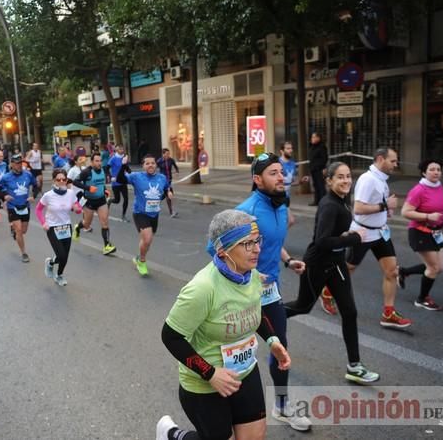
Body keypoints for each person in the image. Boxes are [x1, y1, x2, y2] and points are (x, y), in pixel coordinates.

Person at [156, 209, 291, 440]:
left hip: (246, 371)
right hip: (205, 383)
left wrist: (272, 340)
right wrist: (210, 373)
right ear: (223, 250)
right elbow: (171, 337)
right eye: (247, 244)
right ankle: (172, 435)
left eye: (257, 241)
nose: (257, 249)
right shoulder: (202, 289)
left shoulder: (252, 275)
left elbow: (253, 310)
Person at [235, 152, 311, 431]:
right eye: (273, 173)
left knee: (279, 346)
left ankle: (281, 405)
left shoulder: (280, 206)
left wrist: (288, 260)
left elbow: (268, 244)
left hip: (270, 292)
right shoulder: (246, 211)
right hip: (240, 292)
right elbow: (216, 250)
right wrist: (250, 273)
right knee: (235, 353)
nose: (282, 177)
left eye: (282, 172)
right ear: (257, 179)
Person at [284, 162, 380, 384]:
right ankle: (266, 317)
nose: (346, 180)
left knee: (350, 312)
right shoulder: (329, 204)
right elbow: (322, 241)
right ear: (329, 181)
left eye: (348, 176)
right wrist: (354, 238)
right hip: (317, 264)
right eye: (340, 177)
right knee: (302, 306)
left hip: (336, 264)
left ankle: (354, 366)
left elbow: (334, 234)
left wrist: (346, 234)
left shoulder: (341, 202)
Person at [343, 147, 412, 329]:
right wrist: (383, 206)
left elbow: (376, 205)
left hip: (381, 233)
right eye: (393, 161)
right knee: (347, 269)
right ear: (381, 159)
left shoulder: (381, 179)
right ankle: (327, 290)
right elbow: (358, 208)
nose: (396, 165)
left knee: (392, 272)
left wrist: (386, 211)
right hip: (363, 233)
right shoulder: (368, 180)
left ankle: (388, 313)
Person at [398, 160, 443, 310]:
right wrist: (427, 217)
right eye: (432, 169)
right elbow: (405, 212)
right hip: (420, 233)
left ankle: (403, 271)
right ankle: (422, 299)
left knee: (439, 267)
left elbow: (437, 206)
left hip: (436, 233)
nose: (436, 172)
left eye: (438, 169)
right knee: (433, 267)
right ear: (424, 172)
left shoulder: (438, 187)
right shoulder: (418, 190)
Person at [116, 153, 172, 276]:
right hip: (140, 212)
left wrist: (168, 193)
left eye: (152, 163)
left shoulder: (162, 178)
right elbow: (120, 179)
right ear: (143, 166)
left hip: (154, 214)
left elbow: (167, 188)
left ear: (156, 165)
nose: (150, 165)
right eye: (147, 163)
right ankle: (142, 261)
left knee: (148, 241)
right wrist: (123, 165)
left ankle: (139, 257)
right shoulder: (136, 177)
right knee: (147, 238)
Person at [36, 169, 82, 286]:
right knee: (61, 255)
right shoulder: (48, 196)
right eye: (58, 179)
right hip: (52, 227)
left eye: (64, 179)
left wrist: (77, 209)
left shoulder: (70, 193)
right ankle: (50, 263)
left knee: (65, 257)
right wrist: (43, 223)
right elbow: (38, 210)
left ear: (66, 180)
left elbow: (77, 207)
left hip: (66, 227)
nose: (61, 181)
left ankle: (59, 275)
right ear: (54, 181)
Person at [72, 153, 117, 255]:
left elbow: (101, 183)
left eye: (100, 160)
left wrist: (105, 190)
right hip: (89, 201)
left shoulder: (103, 170)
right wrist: (88, 188)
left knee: (105, 222)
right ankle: (77, 228)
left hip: (101, 200)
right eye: (96, 161)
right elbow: (75, 182)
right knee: (87, 224)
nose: (99, 163)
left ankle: (106, 246)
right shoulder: (86, 172)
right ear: (91, 162)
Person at [0, 153, 37, 262]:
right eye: (16, 163)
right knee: (19, 230)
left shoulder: (28, 175)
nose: (19, 165)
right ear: (12, 164)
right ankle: (23, 253)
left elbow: (36, 185)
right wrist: (5, 196)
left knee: (23, 231)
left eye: (20, 163)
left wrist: (33, 195)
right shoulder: (6, 177)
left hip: (25, 206)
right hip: (12, 206)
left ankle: (14, 230)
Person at [108, 145, 130, 222]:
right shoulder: (113, 158)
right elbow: (106, 168)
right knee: (117, 200)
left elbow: (126, 167)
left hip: (123, 182)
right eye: (120, 148)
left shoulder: (124, 158)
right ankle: (110, 201)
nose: (122, 150)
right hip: (115, 182)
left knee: (126, 199)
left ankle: (123, 215)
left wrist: (129, 173)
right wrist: (111, 176)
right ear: (116, 149)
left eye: (122, 148)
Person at [157, 148, 179, 218]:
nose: (168, 155)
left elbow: (175, 166)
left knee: (166, 195)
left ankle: (155, 203)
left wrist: (177, 172)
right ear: (163, 154)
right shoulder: (159, 161)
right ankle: (171, 212)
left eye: (169, 154)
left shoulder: (171, 160)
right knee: (168, 195)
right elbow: (154, 168)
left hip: (169, 180)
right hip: (163, 180)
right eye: (166, 154)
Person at [308, 132, 328, 206]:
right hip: (313, 169)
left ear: (318, 138)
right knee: (315, 185)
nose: (312, 139)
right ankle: (317, 201)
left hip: (319, 169)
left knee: (321, 186)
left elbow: (324, 158)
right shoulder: (312, 146)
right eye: (312, 137)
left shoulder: (322, 147)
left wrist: (322, 167)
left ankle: (324, 201)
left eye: (314, 137)